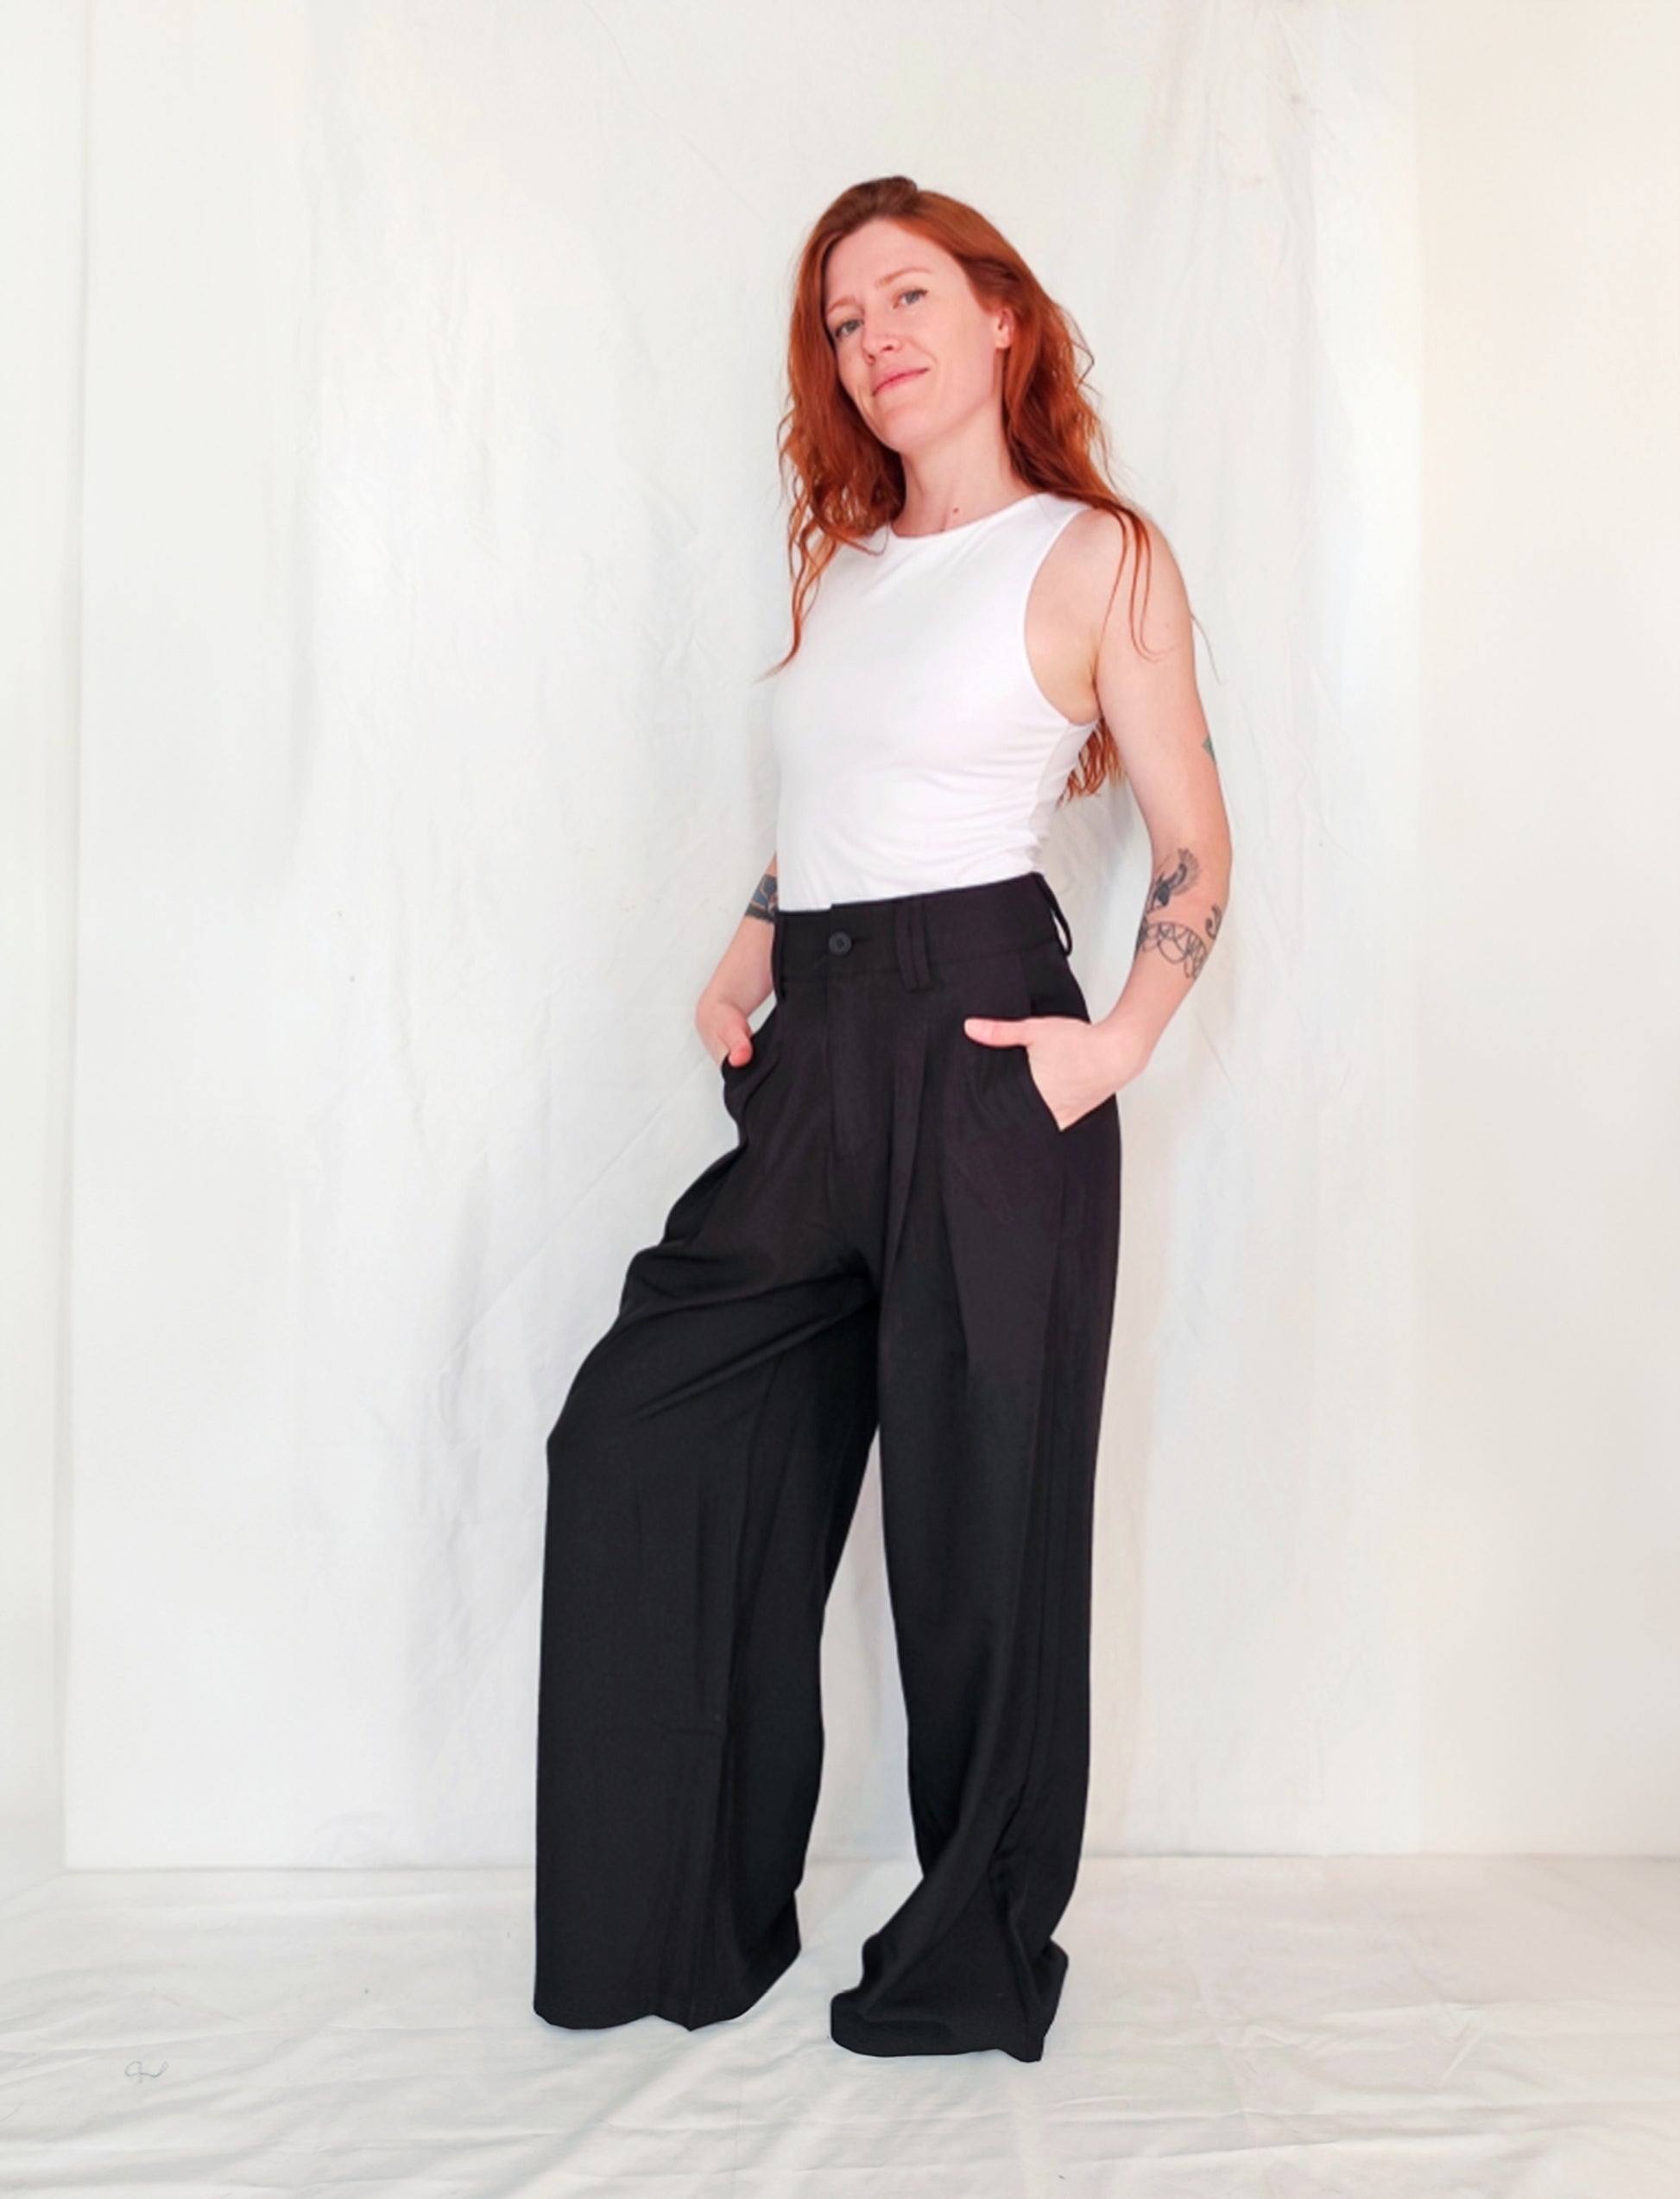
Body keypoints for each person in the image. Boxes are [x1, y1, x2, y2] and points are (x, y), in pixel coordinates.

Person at [533, 174, 1231, 2063]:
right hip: (817, 1055)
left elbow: (1193, 842)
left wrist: (1114, 1043)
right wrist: (740, 956)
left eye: (907, 295)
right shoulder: (843, 570)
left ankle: (968, 1958)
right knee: (637, 1437)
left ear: (1000, 315)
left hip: (987, 1052)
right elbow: (835, 808)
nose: (874, 339)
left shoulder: (1097, 557)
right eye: (844, 320)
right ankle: (680, 1921)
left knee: (979, 1525)